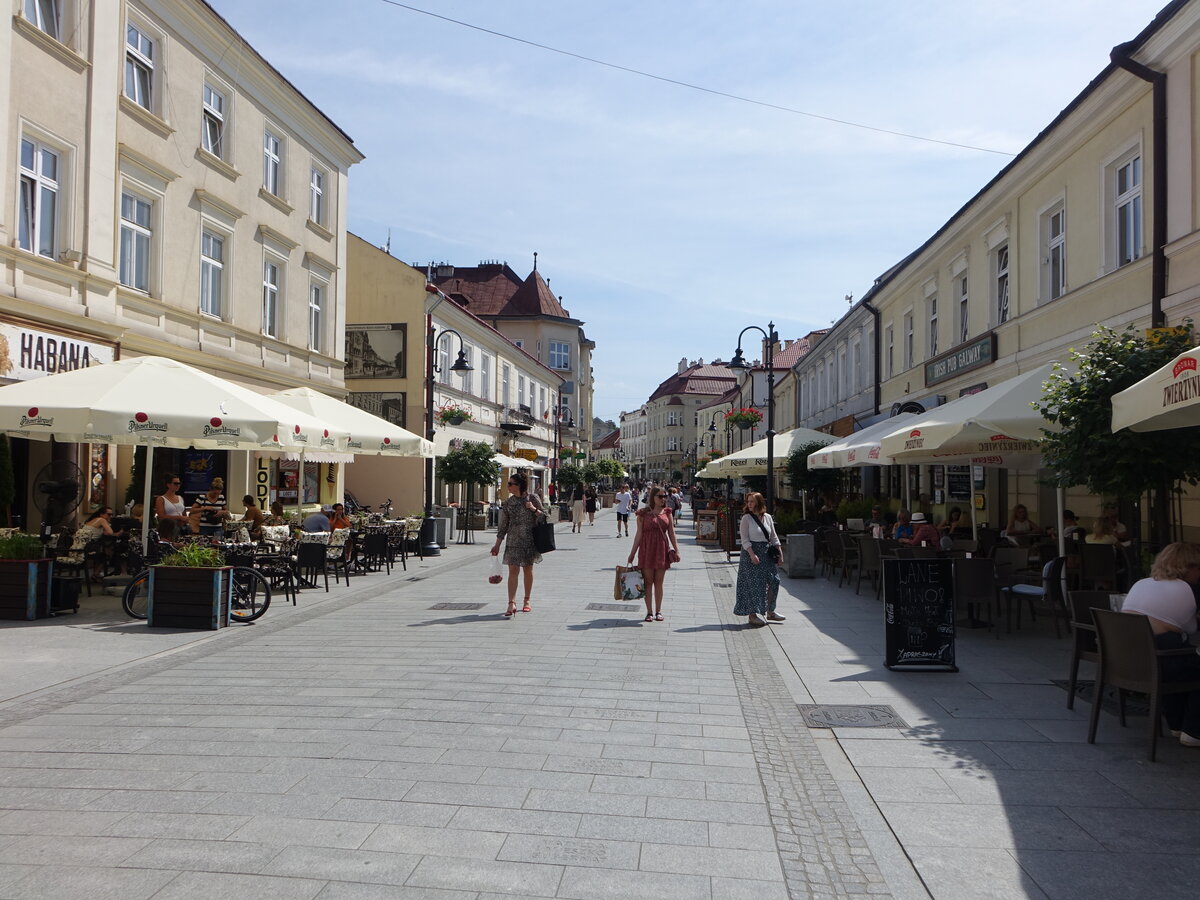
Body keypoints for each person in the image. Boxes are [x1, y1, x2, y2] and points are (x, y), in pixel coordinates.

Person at [1120, 542, 1200, 746]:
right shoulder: (1189, 589)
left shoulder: (1141, 583)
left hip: (1126, 662)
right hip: (1159, 663)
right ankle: (1193, 731)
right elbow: (1191, 629)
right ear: (1188, 567)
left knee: (1182, 657)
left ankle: (1177, 725)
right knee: (1185, 660)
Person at [492, 472, 545, 617]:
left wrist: (533, 509)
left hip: (529, 540)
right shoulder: (508, 503)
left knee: (528, 570)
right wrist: (497, 545)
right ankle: (511, 603)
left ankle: (527, 601)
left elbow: (545, 516)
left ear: (519, 485)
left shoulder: (532, 498)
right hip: (513, 541)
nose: (507, 486)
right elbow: (503, 525)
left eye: (510, 484)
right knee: (513, 572)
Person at [627, 486, 679, 622]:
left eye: (665, 496)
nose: (663, 499)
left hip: (661, 550)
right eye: (660, 496)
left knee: (659, 582)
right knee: (648, 582)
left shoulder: (667, 512)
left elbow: (672, 533)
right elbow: (639, 535)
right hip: (647, 549)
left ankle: (658, 611)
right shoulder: (643, 513)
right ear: (653, 498)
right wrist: (632, 553)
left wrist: (676, 549)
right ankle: (649, 612)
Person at [735, 491, 784, 627]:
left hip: (766, 552)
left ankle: (770, 611)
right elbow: (744, 539)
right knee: (754, 585)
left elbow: (773, 536)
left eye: (752, 501)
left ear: (759, 503)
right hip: (751, 553)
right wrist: (752, 554)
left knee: (774, 580)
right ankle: (752, 615)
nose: (749, 504)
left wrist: (780, 552)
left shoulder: (767, 517)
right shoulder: (746, 518)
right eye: (748, 501)